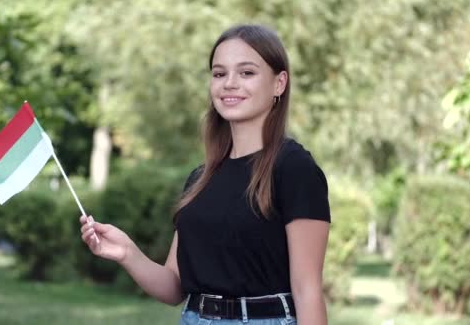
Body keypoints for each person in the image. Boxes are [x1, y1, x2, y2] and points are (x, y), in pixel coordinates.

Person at [80, 24, 330, 325]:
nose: (230, 83)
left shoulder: (294, 168)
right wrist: (127, 253)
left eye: (247, 73)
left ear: (279, 83)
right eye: (219, 73)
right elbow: (174, 286)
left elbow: (308, 291)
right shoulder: (201, 179)